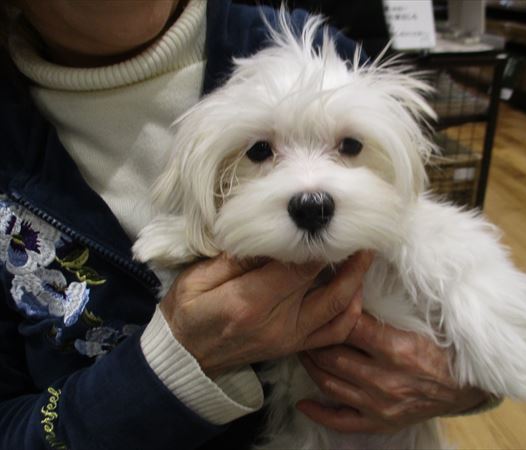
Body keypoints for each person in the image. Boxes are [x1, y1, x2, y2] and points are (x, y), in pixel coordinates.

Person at [0, 1, 494, 449]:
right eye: (261, 152)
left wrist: (462, 380)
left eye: (346, 148)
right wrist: (168, 368)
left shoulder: (321, 46)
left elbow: (416, 228)